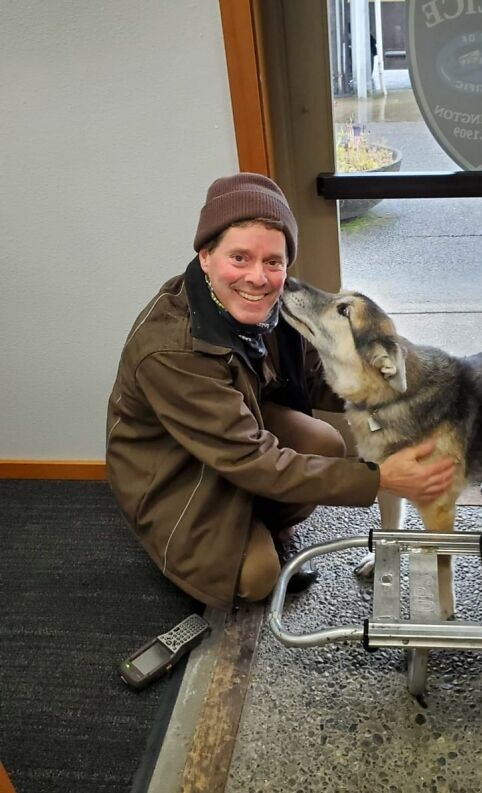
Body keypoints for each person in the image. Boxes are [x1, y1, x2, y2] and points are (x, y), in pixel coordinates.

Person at [106, 173, 455, 610]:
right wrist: (380, 478)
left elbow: (316, 376)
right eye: (239, 257)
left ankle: (259, 522)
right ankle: (187, 544)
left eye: (273, 261)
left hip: (231, 438)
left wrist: (407, 395)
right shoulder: (172, 351)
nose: (258, 277)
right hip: (175, 473)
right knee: (258, 577)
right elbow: (251, 460)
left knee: (324, 443)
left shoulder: (272, 307)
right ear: (205, 256)